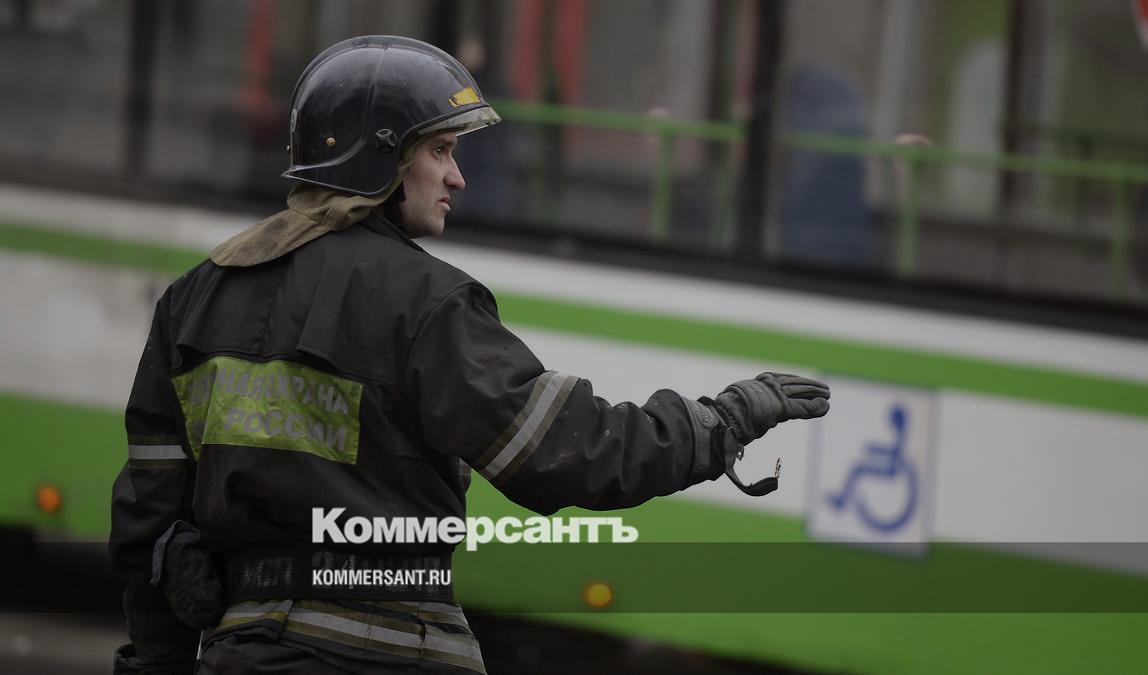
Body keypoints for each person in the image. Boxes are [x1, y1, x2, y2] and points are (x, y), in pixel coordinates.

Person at [109, 35, 831, 674]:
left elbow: (148, 518)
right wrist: (719, 423)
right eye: (441, 151)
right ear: (383, 156)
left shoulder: (195, 298)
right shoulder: (426, 301)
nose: (457, 178)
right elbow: (565, 452)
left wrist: (157, 661)